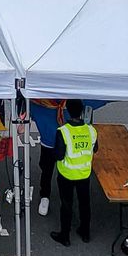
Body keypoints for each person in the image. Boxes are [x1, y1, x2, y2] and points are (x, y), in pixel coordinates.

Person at [49, 100, 97, 248]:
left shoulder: (63, 131)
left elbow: (58, 155)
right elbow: (95, 149)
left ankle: (65, 236)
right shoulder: (91, 131)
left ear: (67, 111)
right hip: (84, 173)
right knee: (85, 203)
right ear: (82, 111)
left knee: (67, 204)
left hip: (67, 174)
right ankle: (85, 232)